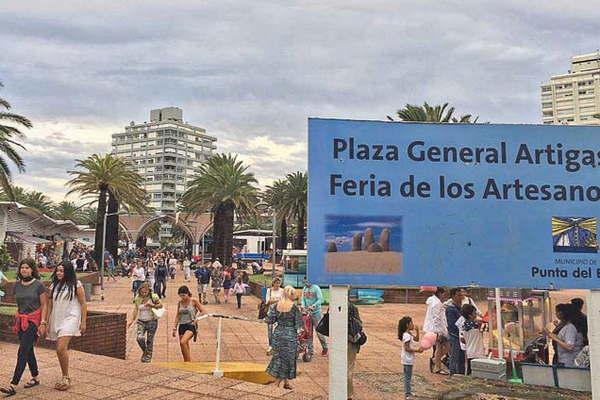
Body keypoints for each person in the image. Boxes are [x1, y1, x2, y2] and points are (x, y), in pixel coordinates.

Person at [1, 260, 48, 397]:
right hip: (21, 320)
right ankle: (36, 377)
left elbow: (44, 304)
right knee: (28, 350)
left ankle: (13, 385)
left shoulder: (38, 285)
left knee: (22, 351)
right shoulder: (17, 285)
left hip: (33, 321)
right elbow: (19, 303)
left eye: (27, 268)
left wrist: (43, 322)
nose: (24, 270)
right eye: (22, 268)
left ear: (32, 269)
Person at [46, 262, 87, 391]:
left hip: (71, 318)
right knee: (60, 349)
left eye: (62, 271)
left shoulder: (76, 285)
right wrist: (46, 322)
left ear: (68, 272)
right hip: (57, 318)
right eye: (57, 270)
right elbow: (49, 305)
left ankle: (65, 377)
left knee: (60, 348)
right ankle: (65, 375)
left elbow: (83, 304)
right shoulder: (53, 286)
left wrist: (83, 321)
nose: (59, 273)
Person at [266, 286, 302, 390]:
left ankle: (286, 383)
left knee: (279, 357)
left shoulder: (276, 306)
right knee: (288, 359)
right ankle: (276, 384)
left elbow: (270, 320)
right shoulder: (294, 308)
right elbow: (299, 325)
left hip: (278, 334)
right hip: (290, 336)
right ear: (291, 295)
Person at [128, 282, 162, 363]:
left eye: (145, 292)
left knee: (150, 340)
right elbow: (136, 309)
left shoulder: (153, 297)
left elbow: (160, 305)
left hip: (152, 321)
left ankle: (148, 356)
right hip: (141, 321)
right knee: (139, 338)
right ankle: (146, 351)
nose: (143, 294)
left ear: (148, 291)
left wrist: (152, 305)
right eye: (142, 292)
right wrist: (131, 320)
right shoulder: (137, 298)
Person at [545, 303, 584, 367]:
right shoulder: (567, 326)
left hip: (569, 362)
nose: (556, 314)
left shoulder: (570, 327)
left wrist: (552, 336)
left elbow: (569, 347)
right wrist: (550, 334)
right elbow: (562, 338)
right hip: (565, 360)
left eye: (557, 312)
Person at [173, 285, 204, 362]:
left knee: (183, 341)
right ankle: (187, 361)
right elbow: (178, 315)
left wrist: (197, 319)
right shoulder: (180, 302)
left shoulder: (193, 301)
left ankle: (188, 362)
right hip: (182, 325)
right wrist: (174, 327)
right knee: (183, 345)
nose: (182, 297)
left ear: (187, 293)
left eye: (184, 295)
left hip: (191, 324)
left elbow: (203, 311)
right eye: (180, 296)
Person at [424, 286, 449, 375]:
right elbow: (437, 318)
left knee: (443, 347)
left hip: (435, 328)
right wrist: (439, 332)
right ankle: (437, 366)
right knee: (442, 346)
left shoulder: (433, 301)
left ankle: (435, 361)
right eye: (443, 294)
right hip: (437, 329)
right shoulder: (436, 303)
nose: (444, 296)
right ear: (439, 293)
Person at [301, 277, 328, 357]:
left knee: (319, 332)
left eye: (307, 282)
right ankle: (310, 350)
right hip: (307, 313)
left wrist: (314, 306)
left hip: (316, 313)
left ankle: (325, 347)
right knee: (308, 332)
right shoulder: (304, 289)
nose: (306, 283)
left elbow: (320, 299)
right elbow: (303, 299)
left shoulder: (316, 288)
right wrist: (303, 306)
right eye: (305, 282)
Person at [398, 316, 422, 399]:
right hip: (407, 359)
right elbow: (407, 348)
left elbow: (416, 339)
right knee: (407, 377)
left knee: (408, 376)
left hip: (407, 358)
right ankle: (407, 394)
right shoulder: (407, 336)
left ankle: (409, 392)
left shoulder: (408, 334)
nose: (413, 324)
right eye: (411, 323)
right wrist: (417, 350)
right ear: (407, 325)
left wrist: (417, 331)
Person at [347, 299, 365, 400]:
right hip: (350, 341)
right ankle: (349, 395)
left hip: (338, 341)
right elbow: (359, 325)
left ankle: (339, 392)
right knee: (349, 368)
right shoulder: (353, 307)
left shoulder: (334, 305)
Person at [460, 304, 485, 375]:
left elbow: (462, 340)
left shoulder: (463, 326)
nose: (476, 314)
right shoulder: (478, 325)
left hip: (469, 353)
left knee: (470, 373)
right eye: (474, 312)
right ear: (470, 315)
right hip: (478, 353)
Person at [446, 288, 465, 375]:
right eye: (459, 295)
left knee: (461, 357)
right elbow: (452, 325)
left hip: (461, 336)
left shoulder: (460, 308)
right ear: (453, 296)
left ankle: (460, 374)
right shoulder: (450, 309)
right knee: (454, 357)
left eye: (462, 295)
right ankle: (452, 374)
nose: (461, 297)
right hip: (455, 337)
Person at [265, 277, 284, 355]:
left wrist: (275, 301)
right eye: (276, 283)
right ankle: (271, 345)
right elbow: (268, 301)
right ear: (273, 283)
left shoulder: (282, 291)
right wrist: (277, 300)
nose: (278, 285)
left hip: (280, 313)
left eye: (279, 283)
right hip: (271, 312)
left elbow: (284, 301)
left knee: (279, 330)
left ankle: (277, 345)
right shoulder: (269, 290)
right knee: (270, 330)